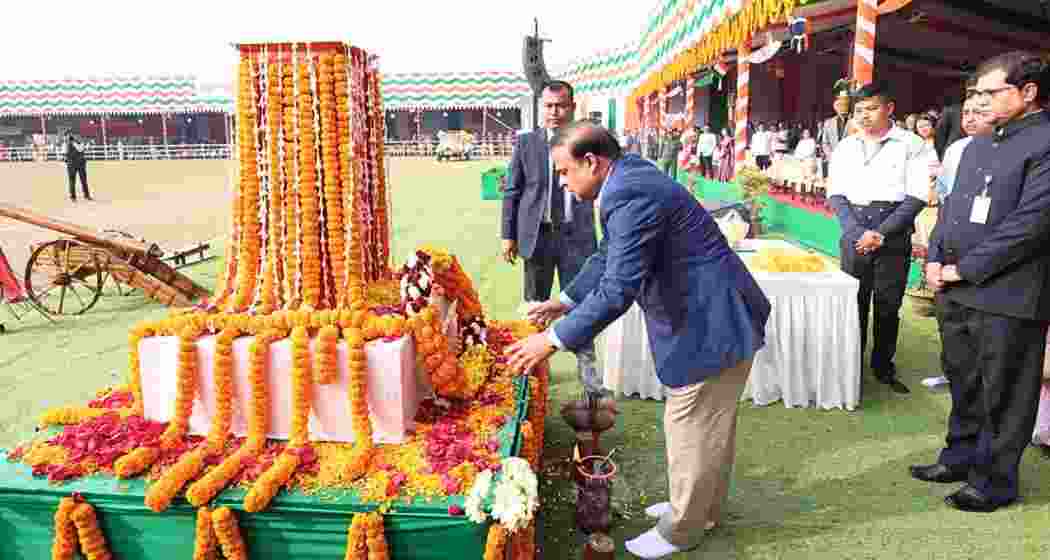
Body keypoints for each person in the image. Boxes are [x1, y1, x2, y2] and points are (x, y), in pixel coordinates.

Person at [506, 121, 770, 559]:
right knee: (708, 428)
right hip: (711, 317)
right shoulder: (627, 178)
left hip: (711, 322)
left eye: (566, 171)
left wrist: (551, 341)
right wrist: (567, 301)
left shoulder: (629, 190)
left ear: (592, 161)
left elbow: (618, 288)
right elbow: (610, 254)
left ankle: (682, 529)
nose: (564, 183)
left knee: (690, 426)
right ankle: (698, 509)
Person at [914, 51, 1050, 513]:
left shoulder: (1045, 141)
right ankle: (959, 458)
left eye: (992, 93)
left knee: (1005, 391)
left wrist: (962, 269)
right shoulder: (976, 144)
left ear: (1028, 92)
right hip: (956, 288)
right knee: (964, 381)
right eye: (978, 94)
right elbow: (950, 208)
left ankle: (994, 481)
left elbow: (1033, 223)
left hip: (1010, 293)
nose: (981, 102)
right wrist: (934, 257)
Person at [826, 81, 935, 395]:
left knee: (888, 306)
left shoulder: (911, 144)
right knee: (853, 303)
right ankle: (851, 366)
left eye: (871, 108)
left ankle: (883, 367)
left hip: (894, 233)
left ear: (889, 109)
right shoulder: (846, 146)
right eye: (859, 110)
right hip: (854, 230)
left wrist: (880, 233)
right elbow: (835, 193)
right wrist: (857, 232)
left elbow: (916, 197)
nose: (864, 116)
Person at [500, 80, 603, 400]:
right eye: (548, 106)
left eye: (560, 105)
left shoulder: (587, 141)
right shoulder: (526, 143)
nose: (554, 112)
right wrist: (508, 235)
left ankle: (589, 379)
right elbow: (513, 190)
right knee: (535, 307)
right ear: (540, 108)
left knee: (582, 306)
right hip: (537, 236)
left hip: (577, 237)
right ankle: (531, 374)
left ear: (572, 107)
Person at [819, 83, 853, 177]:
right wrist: (831, 156)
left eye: (845, 104)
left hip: (851, 162)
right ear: (835, 107)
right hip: (833, 162)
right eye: (840, 104)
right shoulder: (828, 123)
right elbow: (825, 142)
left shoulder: (855, 121)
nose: (843, 106)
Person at [64, 132, 91, 202]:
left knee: (74, 181)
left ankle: (74, 196)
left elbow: (65, 155)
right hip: (78, 164)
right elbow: (80, 149)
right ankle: (85, 195)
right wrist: (85, 145)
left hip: (73, 164)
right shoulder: (74, 143)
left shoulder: (67, 144)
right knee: (81, 180)